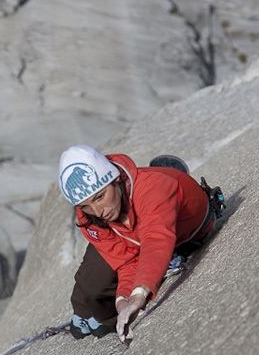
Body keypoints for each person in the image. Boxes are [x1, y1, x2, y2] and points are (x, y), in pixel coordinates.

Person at [58, 145, 222, 343]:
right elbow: (126, 262)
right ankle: (85, 312)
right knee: (92, 284)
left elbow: (155, 240)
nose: (97, 210)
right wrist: (123, 302)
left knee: (100, 285)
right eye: (85, 205)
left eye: (100, 197)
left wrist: (140, 294)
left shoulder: (154, 187)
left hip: (175, 229)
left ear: (116, 178)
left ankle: (96, 314)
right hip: (134, 235)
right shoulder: (89, 214)